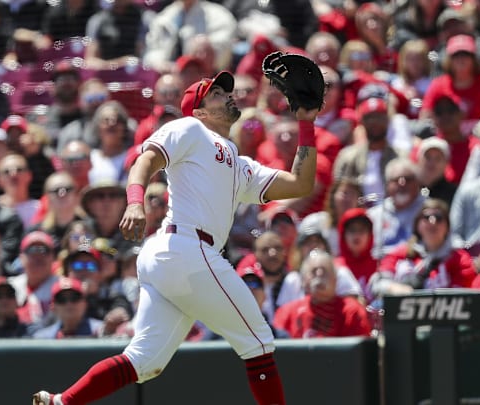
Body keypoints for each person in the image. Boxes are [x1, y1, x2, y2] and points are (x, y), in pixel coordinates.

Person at [33, 70, 321, 405]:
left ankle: (61, 402)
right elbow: (147, 159)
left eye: (226, 92)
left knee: (144, 362)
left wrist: (305, 122)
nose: (227, 96)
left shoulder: (240, 165)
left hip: (173, 257)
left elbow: (300, 184)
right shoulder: (190, 128)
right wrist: (135, 202)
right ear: (198, 110)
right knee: (258, 341)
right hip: (186, 248)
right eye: (215, 94)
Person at [370, 198, 476, 298]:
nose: (432, 222)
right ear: (417, 225)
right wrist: (393, 288)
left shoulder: (460, 259)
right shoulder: (402, 253)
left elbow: (462, 297)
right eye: (426, 217)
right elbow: (376, 283)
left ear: (447, 227)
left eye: (439, 218)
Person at [273, 251, 371, 338]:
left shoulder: (352, 312)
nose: (319, 274)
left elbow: (358, 354)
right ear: (303, 281)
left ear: (336, 280)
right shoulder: (286, 313)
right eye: (313, 271)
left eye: (325, 271)